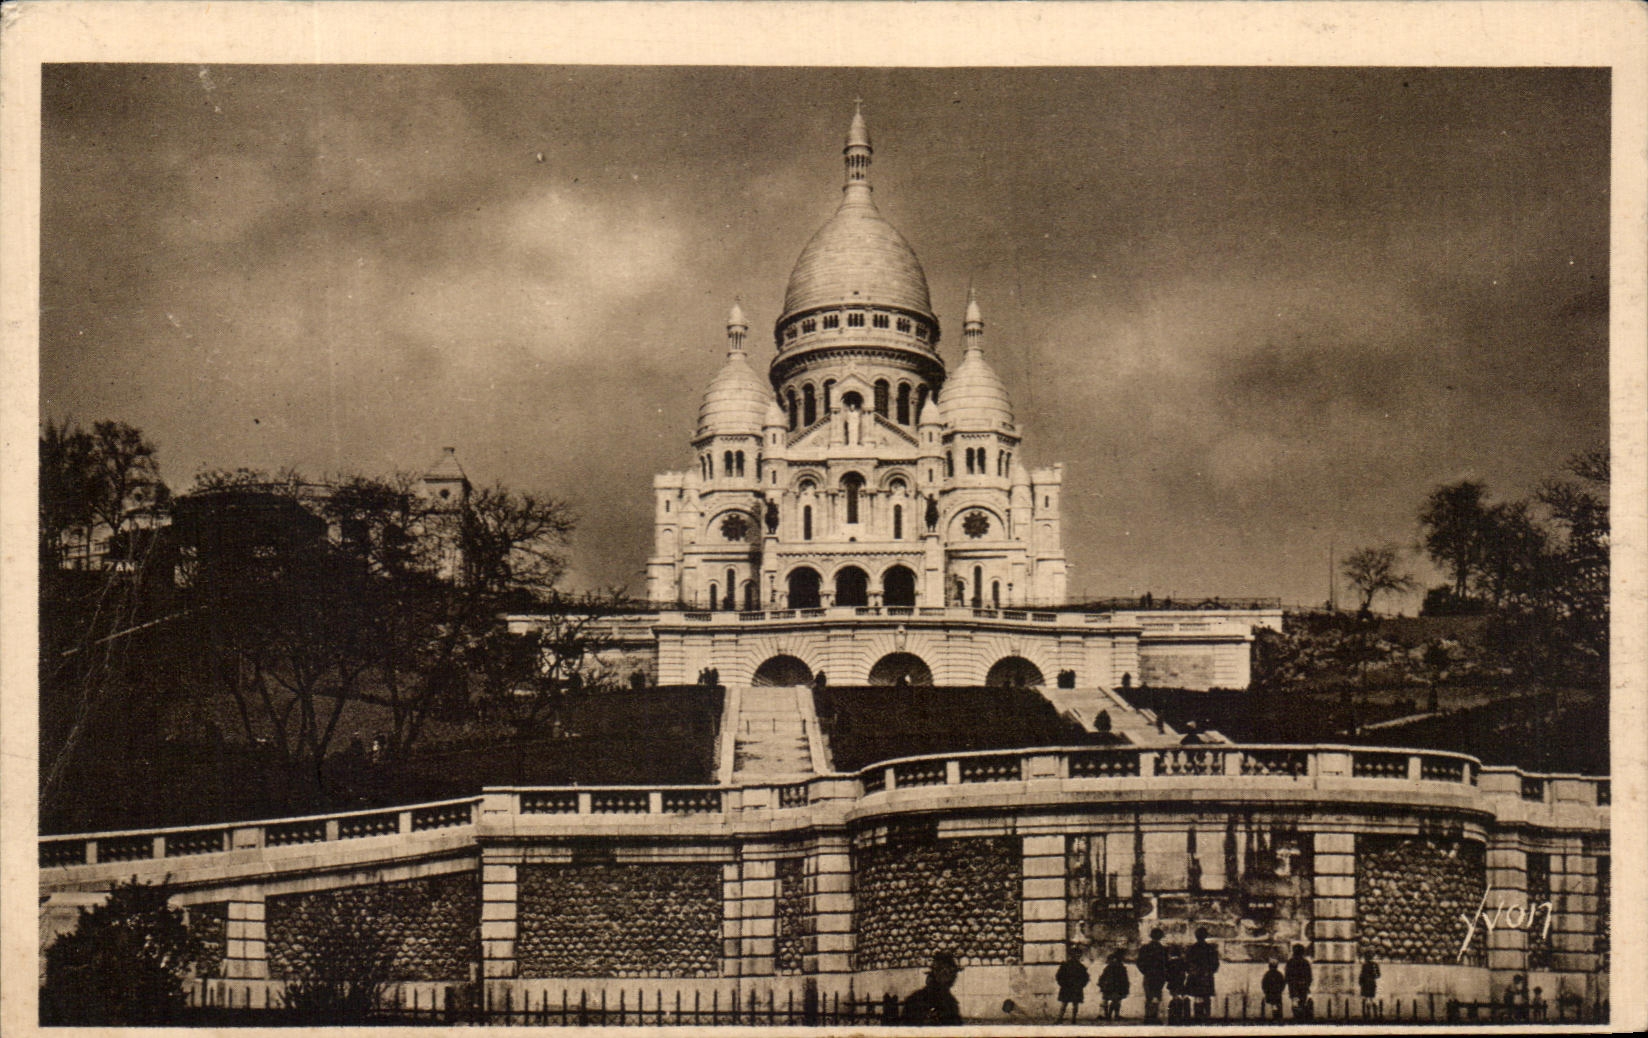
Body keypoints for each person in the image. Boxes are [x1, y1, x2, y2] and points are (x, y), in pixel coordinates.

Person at [901, 951, 963, 1026]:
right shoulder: (948, 1002)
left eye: (953, 973)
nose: (954, 977)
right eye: (950, 973)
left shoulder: (949, 1001)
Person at [1185, 927, 1219, 1021]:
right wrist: (1209, 971)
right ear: (1206, 936)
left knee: (1197, 998)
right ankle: (1207, 1018)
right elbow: (1215, 964)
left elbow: (1187, 964)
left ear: (1196, 936)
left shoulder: (1192, 949)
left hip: (1195, 977)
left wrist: (1192, 972)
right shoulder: (1210, 949)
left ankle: (1198, 1018)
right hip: (1206, 977)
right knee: (1206, 998)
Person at [1137, 927, 1168, 1022]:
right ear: (1161, 937)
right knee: (1157, 995)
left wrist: (1145, 971)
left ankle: (1148, 1016)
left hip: (1148, 975)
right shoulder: (1163, 949)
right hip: (1159, 976)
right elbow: (1166, 964)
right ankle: (1154, 1016)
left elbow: (1139, 962)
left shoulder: (1145, 948)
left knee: (1148, 996)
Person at [1054, 945, 1089, 1023]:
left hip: (1073, 987)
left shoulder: (1080, 967)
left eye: (1078, 955)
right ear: (1072, 955)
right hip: (1068, 987)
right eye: (1076, 954)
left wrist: (1081, 985)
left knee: (1073, 1004)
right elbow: (1059, 976)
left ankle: (1071, 1019)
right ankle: (1061, 1018)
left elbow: (1085, 978)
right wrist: (1063, 984)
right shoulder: (1066, 965)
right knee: (1065, 1004)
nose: (1077, 956)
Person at [1098, 948, 1131, 1021]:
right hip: (1115, 986)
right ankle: (1113, 1015)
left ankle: (1108, 1015)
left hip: (1109, 986)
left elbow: (1103, 976)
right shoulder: (1120, 967)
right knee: (1116, 1001)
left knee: (1110, 1000)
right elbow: (1124, 978)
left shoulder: (1110, 967)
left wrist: (1101, 984)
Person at [1285, 944, 1313, 1021]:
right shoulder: (1305, 962)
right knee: (1303, 1003)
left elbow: (1287, 976)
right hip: (1303, 987)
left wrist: (1290, 984)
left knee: (1295, 1004)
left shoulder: (1290, 962)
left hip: (1293, 987)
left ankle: (1297, 1018)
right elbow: (1309, 977)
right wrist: (1306, 985)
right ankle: (1302, 1019)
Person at [1164, 947, 1189, 1024]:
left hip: (1172, 984)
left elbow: (1166, 975)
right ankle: (1179, 1018)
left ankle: (1172, 1019)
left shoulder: (1168, 963)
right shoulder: (1182, 962)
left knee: (1173, 999)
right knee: (1180, 999)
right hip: (1180, 983)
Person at [1359, 953, 1382, 1019]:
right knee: (1372, 998)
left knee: (1366, 998)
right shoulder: (1375, 965)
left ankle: (1367, 1013)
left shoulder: (1364, 965)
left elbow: (1361, 975)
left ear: (1366, 958)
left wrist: (1360, 983)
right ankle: (1375, 1013)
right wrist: (1373, 977)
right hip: (1372, 983)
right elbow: (1378, 975)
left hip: (1365, 983)